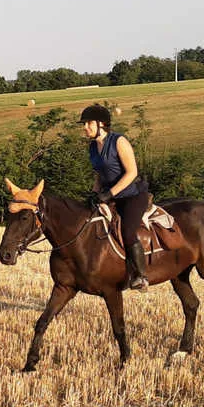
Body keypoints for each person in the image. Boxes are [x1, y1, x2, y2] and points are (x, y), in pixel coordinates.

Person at [80, 104, 150, 290]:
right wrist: (94, 194)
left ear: (101, 124)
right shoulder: (93, 147)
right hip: (109, 197)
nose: (85, 128)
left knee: (127, 232)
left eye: (88, 124)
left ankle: (140, 276)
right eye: (84, 124)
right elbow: (99, 174)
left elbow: (132, 172)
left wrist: (109, 193)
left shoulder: (119, 141)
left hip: (132, 196)